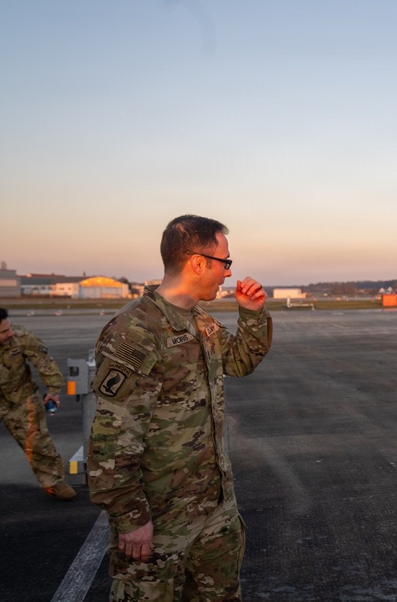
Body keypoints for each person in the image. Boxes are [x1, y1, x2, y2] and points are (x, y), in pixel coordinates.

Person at [87, 214, 272, 601]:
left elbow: (239, 361)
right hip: (160, 519)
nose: (227, 272)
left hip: (213, 510)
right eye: (225, 262)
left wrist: (252, 314)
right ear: (198, 262)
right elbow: (111, 440)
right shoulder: (135, 332)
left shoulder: (198, 322)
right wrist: (131, 518)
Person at [0, 307, 76, 500]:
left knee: (38, 444)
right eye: (3, 332)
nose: (9, 333)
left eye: (8, 328)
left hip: (20, 397)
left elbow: (44, 361)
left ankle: (54, 482)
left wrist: (53, 390)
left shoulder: (20, 336)